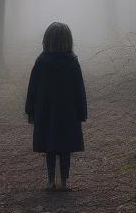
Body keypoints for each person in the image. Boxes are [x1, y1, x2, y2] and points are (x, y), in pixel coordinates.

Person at [24, 21, 88, 192]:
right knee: (65, 149)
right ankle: (64, 182)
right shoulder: (72, 62)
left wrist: (30, 111)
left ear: (47, 40)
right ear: (68, 40)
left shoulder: (41, 62)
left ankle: (51, 181)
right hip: (68, 114)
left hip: (45, 113)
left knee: (50, 149)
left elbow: (33, 89)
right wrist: (82, 113)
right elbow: (79, 90)